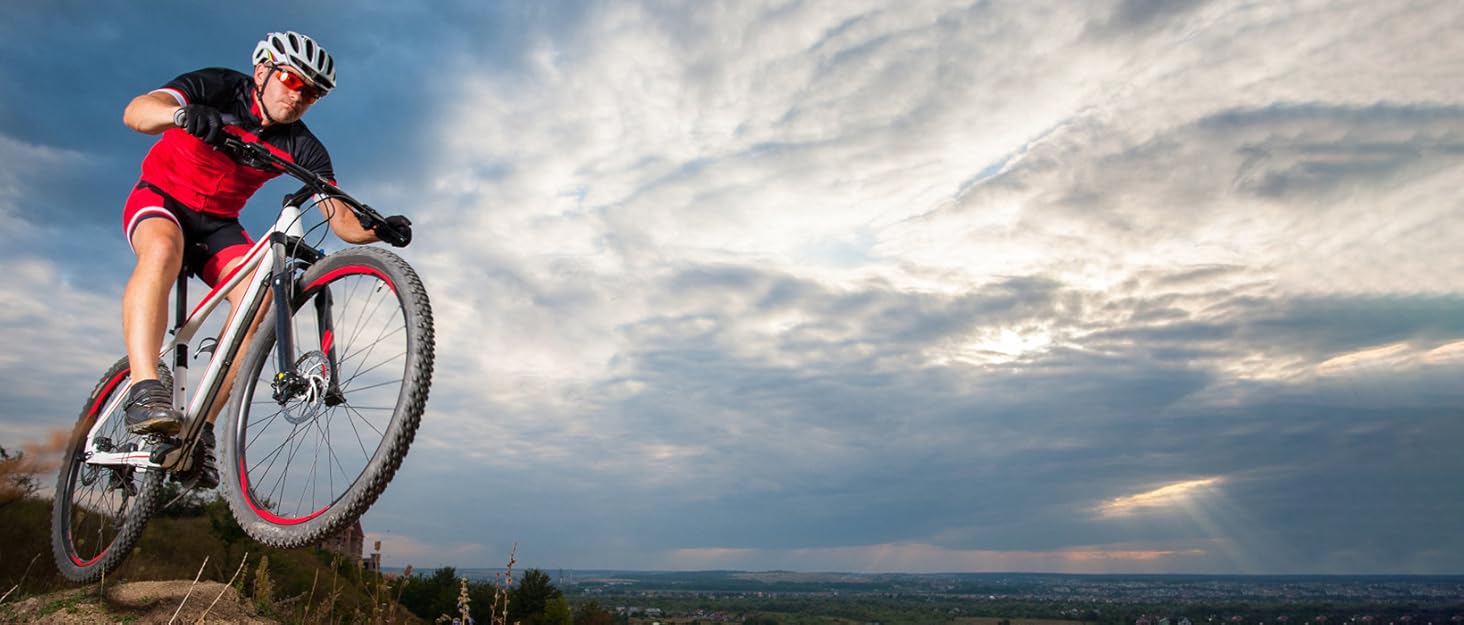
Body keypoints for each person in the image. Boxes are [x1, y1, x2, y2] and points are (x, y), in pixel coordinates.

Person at [118, 31, 411, 489]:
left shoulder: (302, 146)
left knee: (256, 306)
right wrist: (180, 114)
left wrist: (377, 230)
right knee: (161, 251)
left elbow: (338, 218)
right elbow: (136, 112)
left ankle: (201, 431)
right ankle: (143, 386)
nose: (299, 96)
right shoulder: (217, 87)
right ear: (263, 71)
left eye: (312, 93)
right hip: (161, 200)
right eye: (293, 80)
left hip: (218, 226)